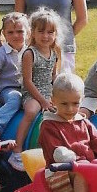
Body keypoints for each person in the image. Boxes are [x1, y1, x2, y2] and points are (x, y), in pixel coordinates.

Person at [14, 8, 63, 150]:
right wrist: (42, 101)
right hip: (32, 94)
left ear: (55, 34)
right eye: (41, 31)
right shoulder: (30, 53)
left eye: (50, 32)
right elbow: (27, 82)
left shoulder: (54, 52)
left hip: (48, 92)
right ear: (33, 33)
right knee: (31, 111)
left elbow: (53, 76)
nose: (45, 36)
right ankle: (17, 147)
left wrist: (58, 93)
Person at [0, 11, 28, 138]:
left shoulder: (30, 51)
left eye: (20, 31)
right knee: (16, 98)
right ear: (4, 34)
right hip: (7, 89)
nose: (16, 35)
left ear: (28, 32)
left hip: (28, 88)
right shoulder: (0, 53)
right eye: (10, 32)